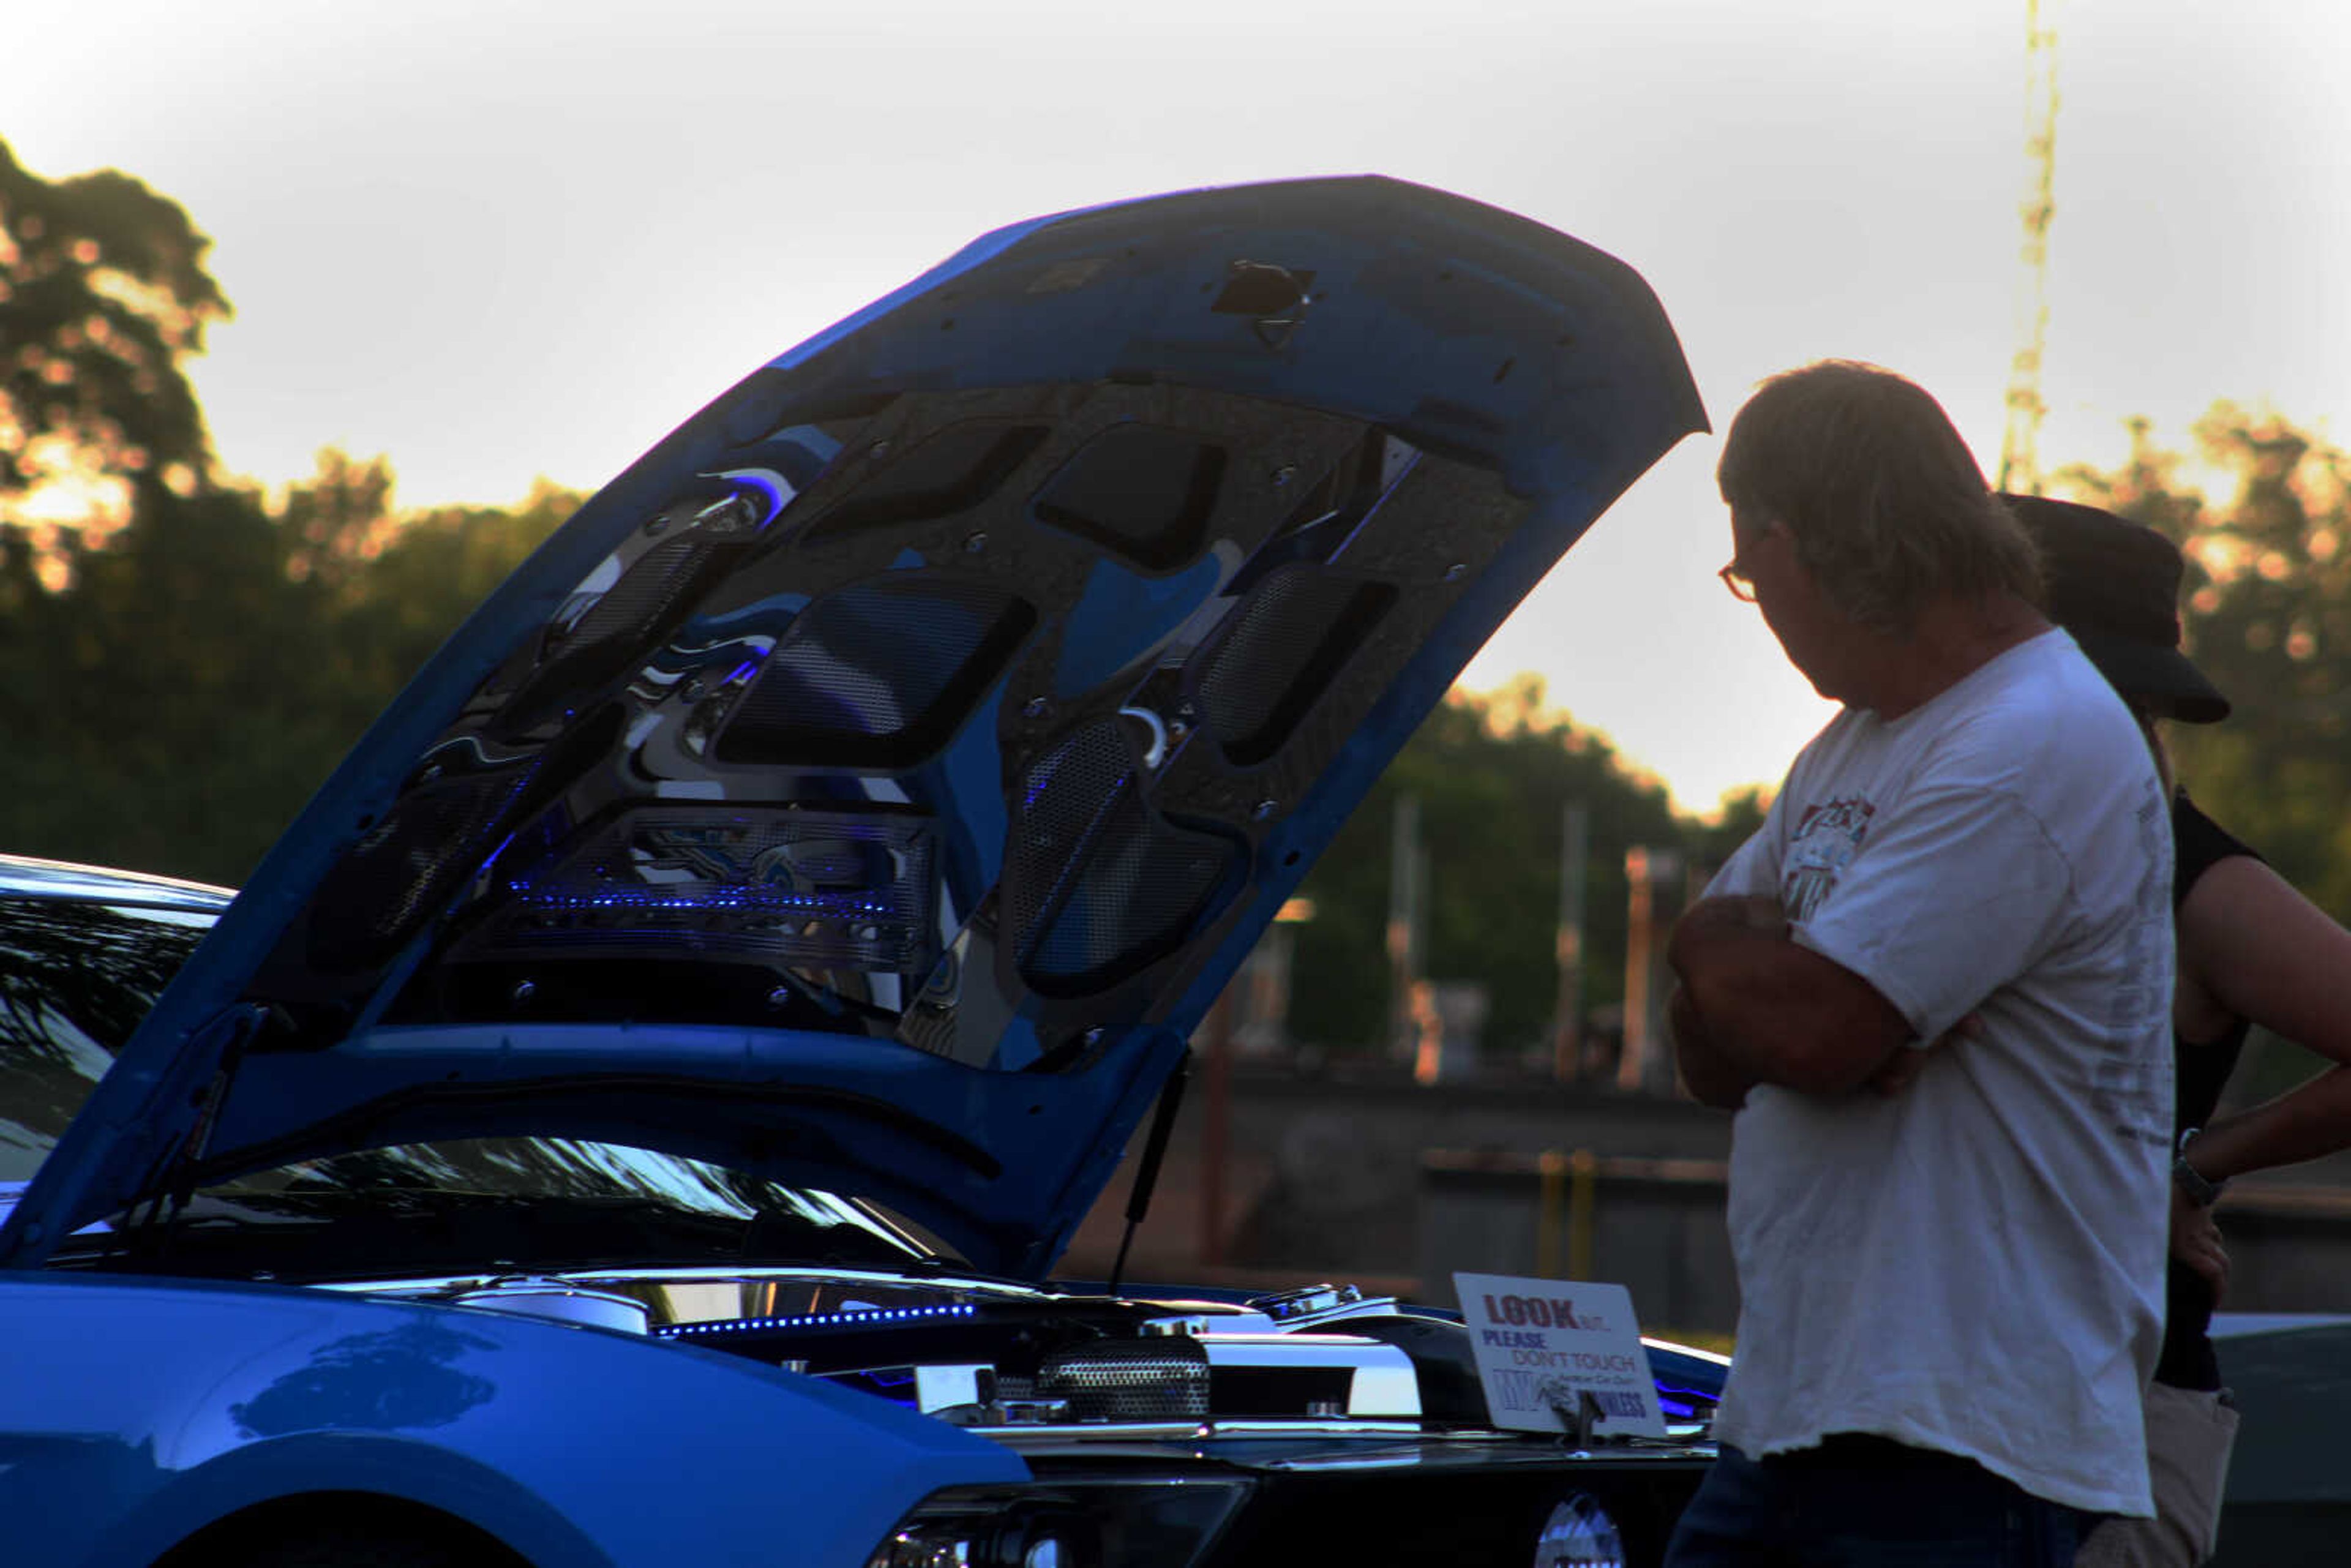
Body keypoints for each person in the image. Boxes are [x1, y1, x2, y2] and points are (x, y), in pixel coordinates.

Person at [1662, 361, 2175, 1566]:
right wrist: (1713, 955)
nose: (1758, 604)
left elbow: (1815, 1039)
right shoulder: (1849, 750)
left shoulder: (2028, 738)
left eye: (1745, 575)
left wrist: (1749, 967)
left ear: (1787, 546)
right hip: (1804, 1411)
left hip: (1955, 1436)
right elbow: (1714, 1054)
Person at [2003, 493, 2351, 1568]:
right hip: (1976, 1413)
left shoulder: (2195, 881)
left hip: (2113, 1427)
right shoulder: (1983, 847)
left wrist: (2192, 1167)